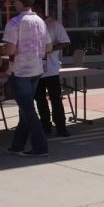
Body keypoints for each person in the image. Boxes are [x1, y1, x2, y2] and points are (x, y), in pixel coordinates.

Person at [0, 0, 50, 157]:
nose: (12, 3)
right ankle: (17, 145)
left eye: (14, 1)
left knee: (28, 111)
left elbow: (10, 49)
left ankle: (40, 147)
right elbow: (48, 47)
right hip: (36, 69)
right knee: (25, 110)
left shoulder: (14, 22)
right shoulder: (41, 21)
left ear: (19, 2)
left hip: (19, 71)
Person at [34, 8, 71, 138]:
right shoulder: (31, 24)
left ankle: (61, 126)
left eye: (34, 11)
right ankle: (45, 125)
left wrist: (50, 49)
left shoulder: (54, 24)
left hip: (51, 69)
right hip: (36, 69)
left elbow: (65, 42)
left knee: (55, 98)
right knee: (40, 99)